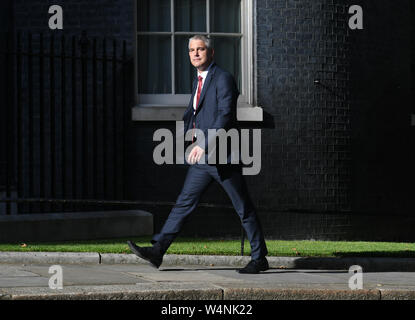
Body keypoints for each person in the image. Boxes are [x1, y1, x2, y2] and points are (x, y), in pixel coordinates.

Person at [128, 35, 269, 274]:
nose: (195, 53)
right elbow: (196, 114)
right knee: (183, 203)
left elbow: (225, 115)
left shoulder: (223, 78)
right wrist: (190, 138)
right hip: (202, 159)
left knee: (243, 207)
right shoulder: (198, 80)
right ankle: (158, 250)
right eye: (191, 50)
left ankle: (259, 257)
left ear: (211, 53)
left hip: (222, 157)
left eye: (200, 49)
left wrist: (205, 143)